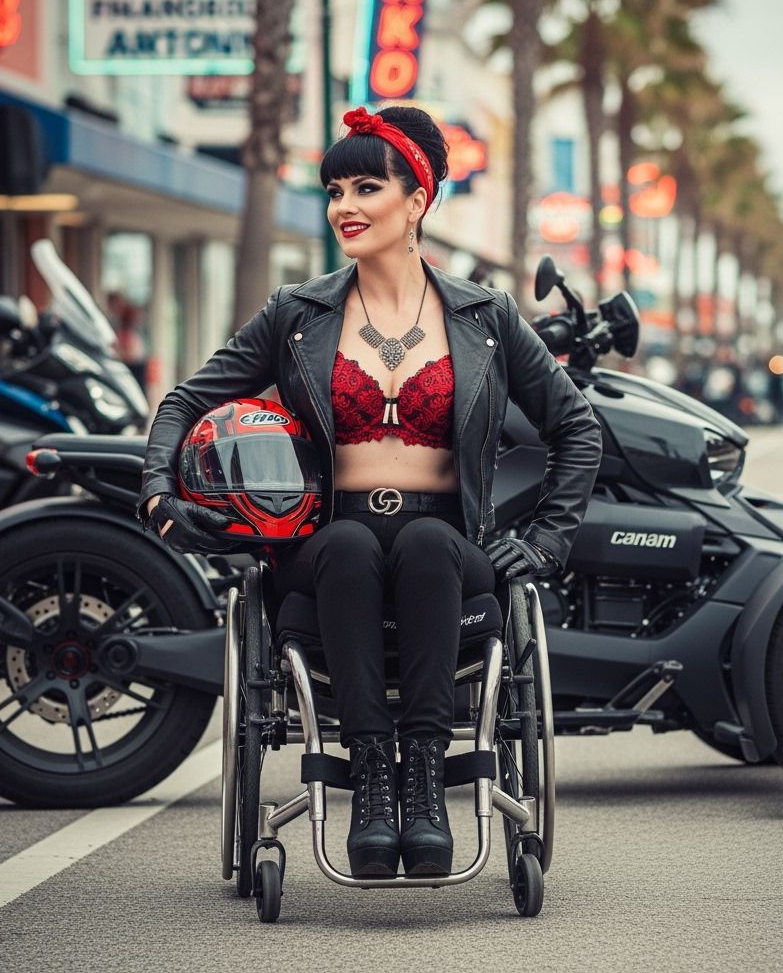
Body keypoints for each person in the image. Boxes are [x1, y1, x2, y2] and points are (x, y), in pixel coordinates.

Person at [138, 105, 602, 878]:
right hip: (325, 544)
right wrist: (159, 491)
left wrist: (548, 537)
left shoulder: (486, 317)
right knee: (351, 544)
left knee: (423, 544)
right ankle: (373, 787)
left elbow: (576, 428)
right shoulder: (297, 314)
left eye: (364, 188)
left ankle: (423, 783)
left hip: (451, 546)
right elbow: (186, 401)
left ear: (417, 200)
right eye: (333, 190)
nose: (343, 207)